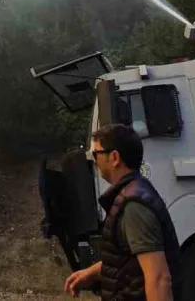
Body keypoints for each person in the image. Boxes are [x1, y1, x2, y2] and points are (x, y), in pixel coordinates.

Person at [64, 124, 181, 301]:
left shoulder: (133, 205)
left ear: (115, 157)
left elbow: (158, 278)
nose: (94, 161)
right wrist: (91, 273)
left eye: (96, 154)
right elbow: (126, 260)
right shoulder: (134, 191)